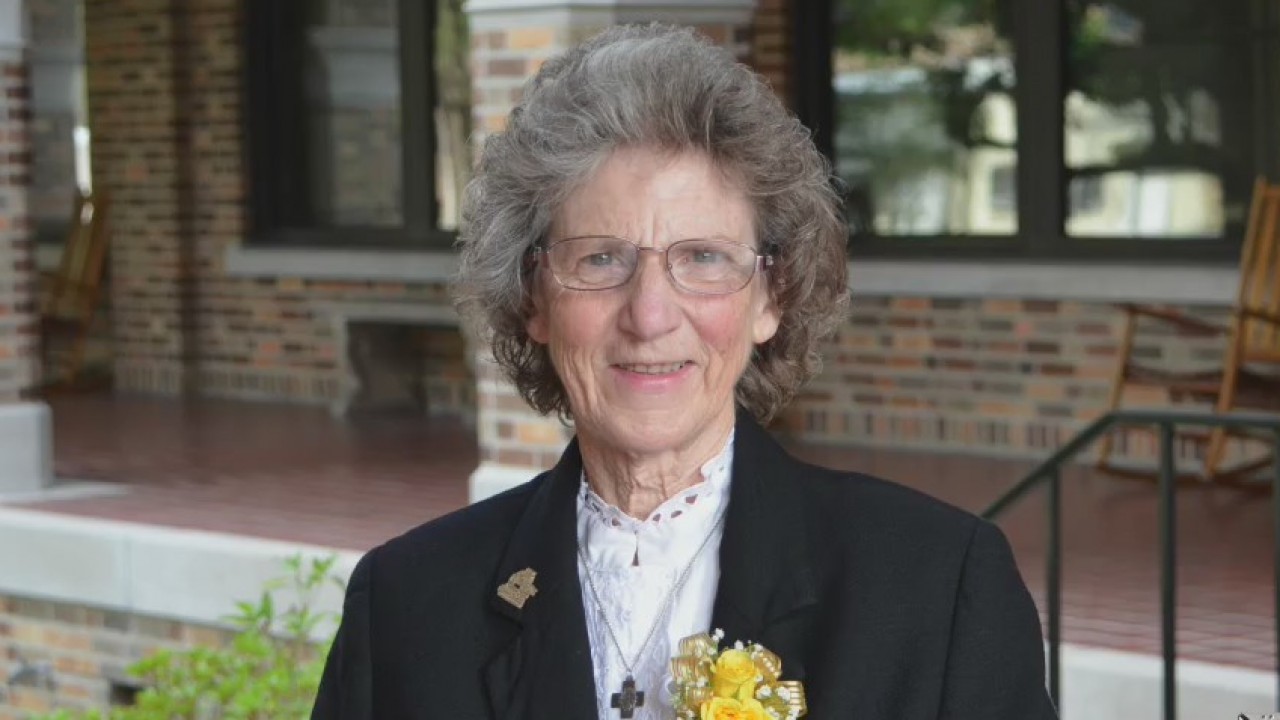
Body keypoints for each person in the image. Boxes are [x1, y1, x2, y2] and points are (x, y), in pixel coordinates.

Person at [311, 23, 1057, 720]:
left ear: (772, 296)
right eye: (601, 259)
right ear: (533, 298)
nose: (650, 314)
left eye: (702, 258)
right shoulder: (405, 604)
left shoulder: (938, 583)